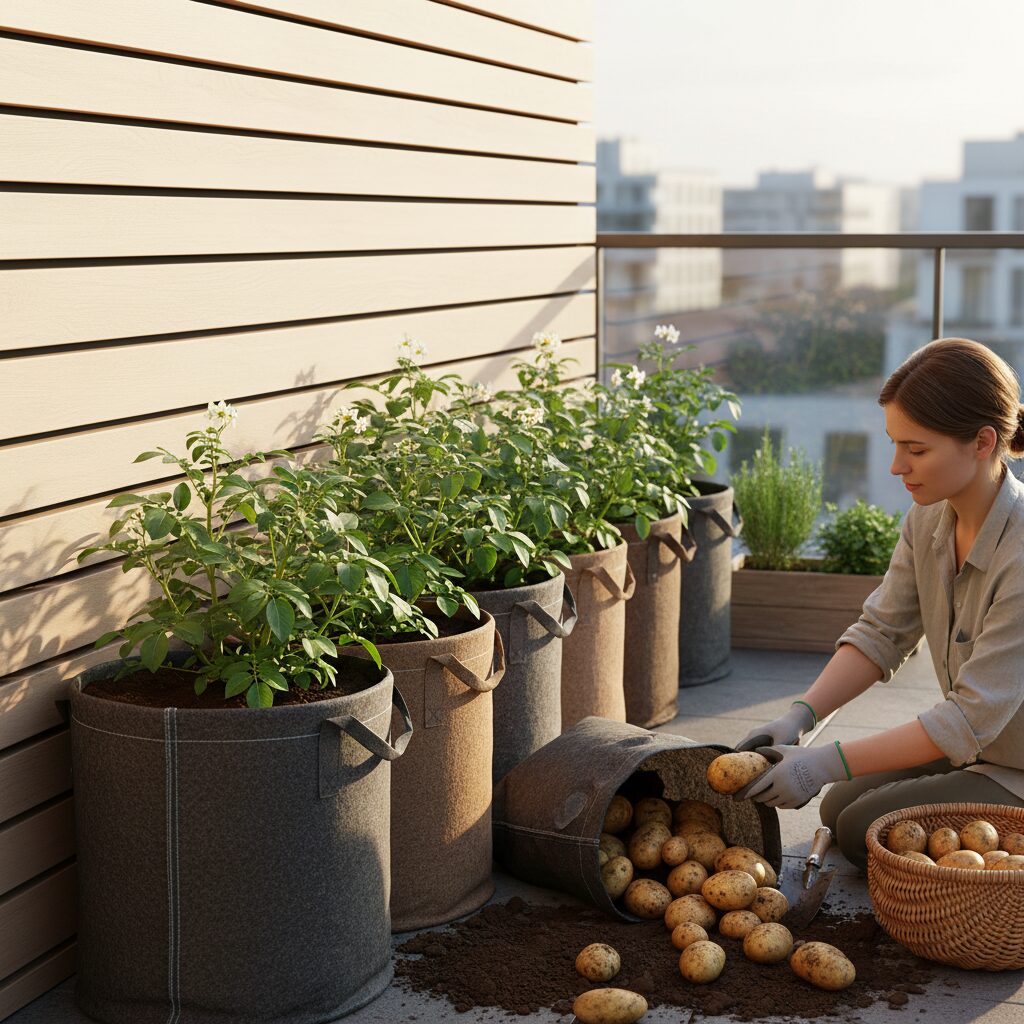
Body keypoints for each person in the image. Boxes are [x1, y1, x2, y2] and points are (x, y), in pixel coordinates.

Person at [733, 337, 1024, 870]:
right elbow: (881, 633)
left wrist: (822, 762)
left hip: (1016, 766)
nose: (896, 466)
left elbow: (968, 717)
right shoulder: (928, 519)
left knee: (857, 828)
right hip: (979, 747)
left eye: (916, 449)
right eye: (895, 444)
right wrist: (799, 716)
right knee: (839, 807)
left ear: (983, 442)